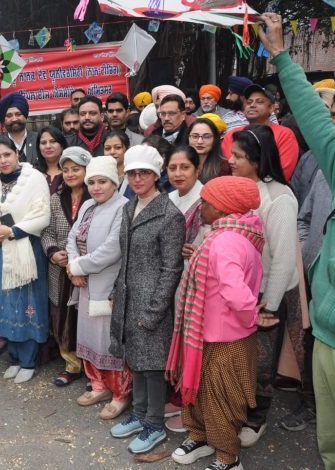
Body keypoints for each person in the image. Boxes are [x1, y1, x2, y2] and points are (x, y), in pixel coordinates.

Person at [257, 13, 335, 468]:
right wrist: (281, 57)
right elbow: (314, 119)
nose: (334, 123)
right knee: (330, 445)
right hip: (328, 335)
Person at [166, 176, 265, 470]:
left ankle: (227, 457)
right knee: (199, 390)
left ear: (222, 208)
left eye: (206, 203)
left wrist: (252, 316)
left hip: (225, 337)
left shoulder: (225, 242)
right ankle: (200, 436)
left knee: (221, 398)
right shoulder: (231, 235)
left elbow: (236, 292)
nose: (201, 207)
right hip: (207, 334)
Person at [227, 123, 302, 448]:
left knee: (262, 360)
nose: (230, 160)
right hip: (240, 290)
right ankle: (238, 407)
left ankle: (257, 418)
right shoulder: (237, 187)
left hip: (267, 293)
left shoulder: (279, 198)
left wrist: (269, 305)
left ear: (257, 161)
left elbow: (284, 259)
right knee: (240, 356)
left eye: (238, 156)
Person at [108, 145, 185, 454]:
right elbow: (125, 257)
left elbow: (171, 268)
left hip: (152, 302)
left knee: (152, 367)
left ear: (156, 175)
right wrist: (117, 290)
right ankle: (139, 415)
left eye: (144, 173)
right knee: (135, 361)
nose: (137, 179)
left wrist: (155, 311)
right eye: (132, 173)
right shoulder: (129, 207)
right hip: (129, 297)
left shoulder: (169, 215)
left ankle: (154, 424)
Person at [0, 136, 50, 384]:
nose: (3, 160)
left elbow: (42, 215)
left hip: (23, 248)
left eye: (7, 154)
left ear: (16, 154)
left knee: (25, 304)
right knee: (5, 304)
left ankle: (28, 361)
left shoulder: (34, 178)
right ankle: (15, 358)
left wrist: (12, 231)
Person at [67, 155, 131, 420]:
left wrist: (78, 267)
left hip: (108, 285)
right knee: (89, 337)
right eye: (91, 182)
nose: (96, 187)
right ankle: (98, 386)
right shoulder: (88, 206)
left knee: (108, 341)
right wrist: (73, 266)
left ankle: (120, 394)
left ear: (114, 182)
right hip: (84, 283)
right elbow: (72, 236)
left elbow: (112, 250)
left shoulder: (123, 207)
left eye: (102, 181)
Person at [41, 146, 91, 387]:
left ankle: (92, 368)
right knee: (61, 314)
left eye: (77, 169)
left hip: (87, 268)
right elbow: (47, 231)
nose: (71, 174)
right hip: (58, 268)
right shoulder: (55, 198)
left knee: (86, 316)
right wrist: (53, 252)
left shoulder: (96, 197)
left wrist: (79, 259)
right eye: (66, 169)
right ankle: (71, 364)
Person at [221, 85, 299, 182]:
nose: (252, 105)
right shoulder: (232, 135)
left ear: (271, 108)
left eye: (260, 102)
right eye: (249, 102)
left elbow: (282, 173)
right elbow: (230, 168)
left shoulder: (284, 135)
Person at [0, 92, 38, 165]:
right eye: (9, 116)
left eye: (18, 114)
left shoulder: (39, 139)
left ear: (25, 116)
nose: (14, 119)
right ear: (3, 120)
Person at [188, 117, 231, 184]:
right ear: (188, 138)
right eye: (195, 136)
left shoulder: (224, 168)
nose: (200, 141)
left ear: (215, 139)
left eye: (206, 137)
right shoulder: (180, 163)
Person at [35, 126, 68, 193]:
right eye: (43, 143)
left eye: (53, 141)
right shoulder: (34, 173)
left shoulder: (71, 171)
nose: (48, 146)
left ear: (62, 145)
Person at [101, 130, 132, 197]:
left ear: (127, 149)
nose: (112, 152)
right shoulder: (99, 176)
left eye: (118, 147)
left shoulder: (134, 178)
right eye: (107, 148)